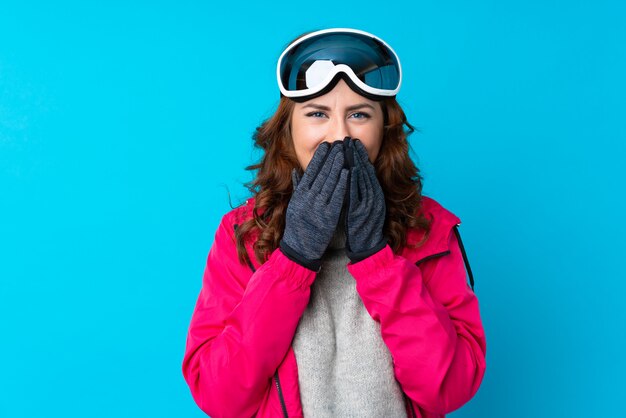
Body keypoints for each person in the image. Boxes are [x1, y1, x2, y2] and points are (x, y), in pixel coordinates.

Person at [182, 28, 487, 418]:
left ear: (386, 128)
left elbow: (449, 388)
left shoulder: (430, 230)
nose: (340, 134)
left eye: (359, 114)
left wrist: (378, 261)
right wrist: (293, 258)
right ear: (288, 130)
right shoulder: (243, 233)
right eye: (317, 114)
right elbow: (218, 394)